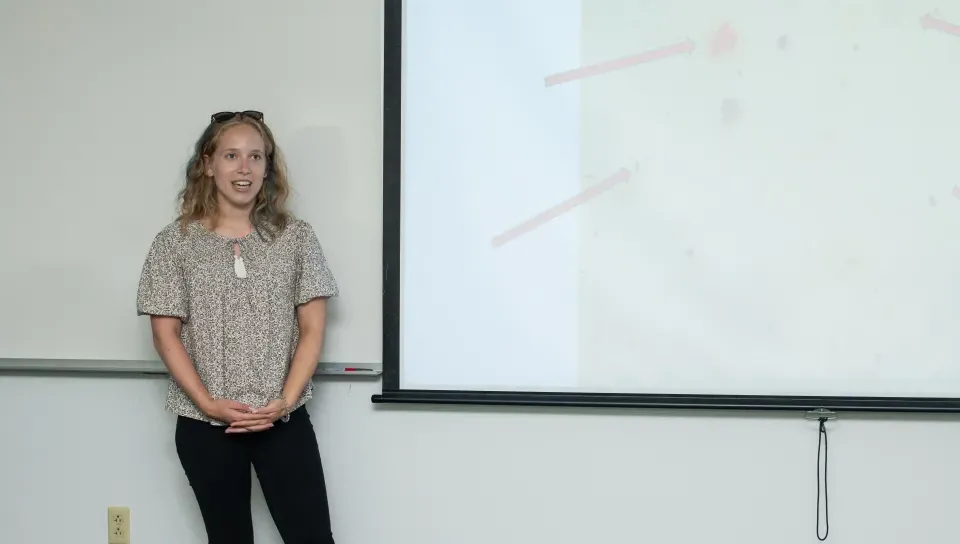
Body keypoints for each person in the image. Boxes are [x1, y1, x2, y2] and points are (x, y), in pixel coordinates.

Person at [136, 110, 339, 544]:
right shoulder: (174, 243)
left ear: (268, 169)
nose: (244, 168)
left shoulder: (297, 238)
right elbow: (164, 334)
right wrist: (209, 404)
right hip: (205, 425)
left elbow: (313, 330)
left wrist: (284, 401)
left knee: (313, 538)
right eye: (231, 155)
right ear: (208, 164)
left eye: (256, 157)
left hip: (281, 421)